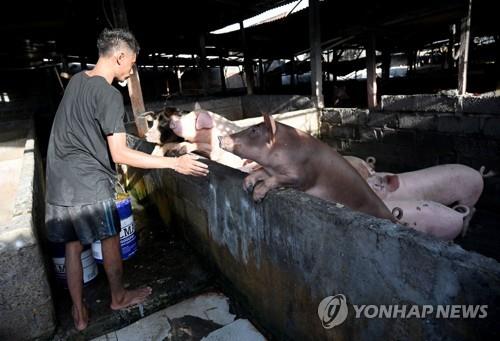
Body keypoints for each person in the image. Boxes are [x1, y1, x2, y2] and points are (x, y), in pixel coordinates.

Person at [45, 28, 209, 331]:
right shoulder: (108, 94)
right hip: (88, 181)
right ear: (120, 56)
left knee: (72, 246)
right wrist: (173, 163)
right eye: (132, 63)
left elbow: (82, 130)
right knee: (109, 237)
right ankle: (118, 297)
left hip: (58, 178)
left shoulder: (78, 80)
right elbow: (119, 153)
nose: (131, 69)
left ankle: (79, 313)